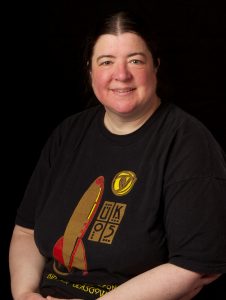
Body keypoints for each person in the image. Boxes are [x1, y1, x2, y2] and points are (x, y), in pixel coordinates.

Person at [9, 10, 226, 300]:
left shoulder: (188, 143)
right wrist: (25, 294)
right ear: (90, 70)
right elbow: (25, 232)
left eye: (135, 60)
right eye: (106, 61)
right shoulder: (69, 134)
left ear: (155, 66)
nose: (121, 75)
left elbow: (192, 267)